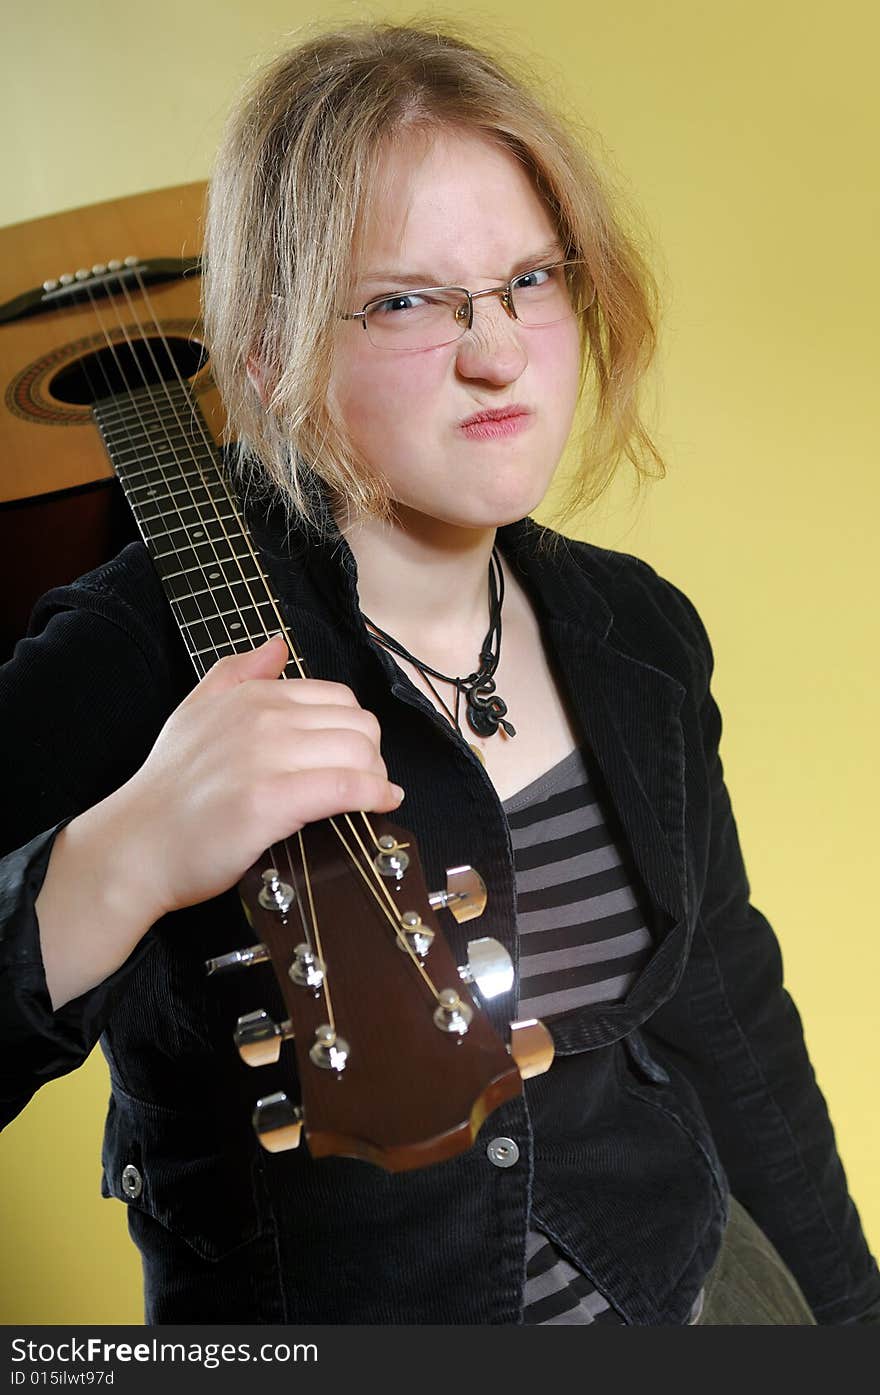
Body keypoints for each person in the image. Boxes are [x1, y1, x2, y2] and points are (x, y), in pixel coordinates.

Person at [1, 21, 878, 1326]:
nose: (499, 353)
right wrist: (118, 862)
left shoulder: (638, 633)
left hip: (693, 1284)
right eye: (409, 299)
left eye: (530, 278)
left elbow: (730, 1020)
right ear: (263, 353)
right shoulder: (134, 653)